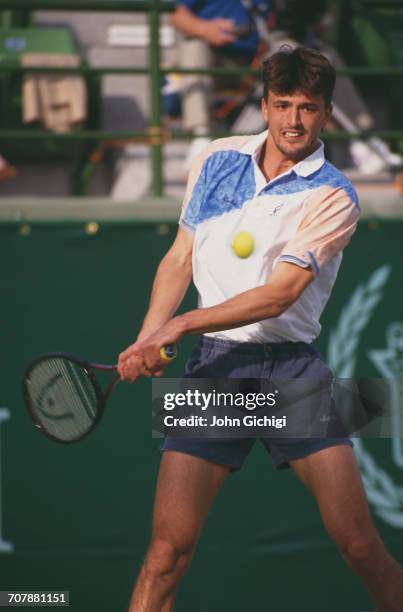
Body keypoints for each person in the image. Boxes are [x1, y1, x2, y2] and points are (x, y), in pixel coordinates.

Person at [118, 47, 403, 611]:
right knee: (166, 553)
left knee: (359, 546)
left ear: (326, 114)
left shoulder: (333, 195)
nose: (293, 120)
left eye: (308, 107)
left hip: (292, 375)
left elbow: (280, 295)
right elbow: (180, 258)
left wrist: (179, 323)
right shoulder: (216, 159)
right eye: (282, 105)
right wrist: (148, 335)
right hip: (215, 372)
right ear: (265, 105)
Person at [169, 0, 272, 169]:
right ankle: (201, 135)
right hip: (213, 57)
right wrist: (204, 29)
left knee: (288, 56)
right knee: (193, 46)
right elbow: (175, 13)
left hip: (256, 59)